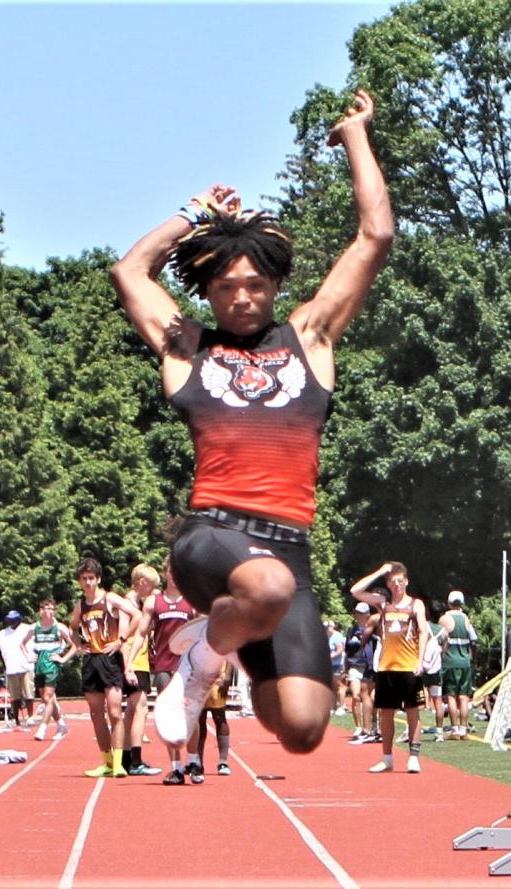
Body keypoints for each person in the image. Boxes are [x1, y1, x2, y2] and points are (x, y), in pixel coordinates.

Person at [111, 89, 393, 755]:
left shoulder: (312, 339)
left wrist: (355, 134)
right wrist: (193, 214)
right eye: (226, 287)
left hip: (288, 547)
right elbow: (130, 271)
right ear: (206, 292)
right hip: (212, 538)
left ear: (275, 286)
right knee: (265, 584)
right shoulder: (189, 349)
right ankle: (203, 657)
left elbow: (375, 235)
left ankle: (226, 635)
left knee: (300, 728)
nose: (242, 296)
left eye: (256, 285)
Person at [125, 558, 200, 784]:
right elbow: (140, 633)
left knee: (190, 713)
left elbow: (203, 631)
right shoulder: (153, 602)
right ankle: (176, 768)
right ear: (166, 573)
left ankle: (194, 761)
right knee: (169, 717)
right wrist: (130, 661)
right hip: (163, 666)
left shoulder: (192, 601)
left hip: (188, 666)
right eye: (171, 572)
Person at [351, 562, 429, 773]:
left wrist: (420, 660)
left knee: (413, 711)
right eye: (393, 581)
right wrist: (380, 571)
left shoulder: (416, 604)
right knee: (386, 713)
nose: (397, 585)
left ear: (406, 581)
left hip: (409, 665)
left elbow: (423, 632)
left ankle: (414, 756)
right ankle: (387, 758)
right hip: (387, 666)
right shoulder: (383, 604)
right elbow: (356, 591)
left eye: (400, 581)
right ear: (388, 583)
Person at [69, 557, 141, 779]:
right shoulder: (81, 606)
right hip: (91, 660)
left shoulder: (109, 598)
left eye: (91, 578)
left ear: (98, 579)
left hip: (109, 660)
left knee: (114, 711)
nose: (88, 582)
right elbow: (71, 628)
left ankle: (119, 762)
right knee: (95, 713)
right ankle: (107, 761)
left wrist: (121, 640)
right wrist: (79, 644)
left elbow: (137, 615)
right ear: (80, 581)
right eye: (84, 579)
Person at [119, 565, 162, 775]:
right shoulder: (128, 605)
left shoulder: (140, 603)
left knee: (131, 709)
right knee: (141, 707)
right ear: (142, 582)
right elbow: (123, 636)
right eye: (151, 584)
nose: (153, 588)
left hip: (141, 660)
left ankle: (127, 758)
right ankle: (135, 760)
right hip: (133, 661)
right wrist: (127, 666)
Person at [22, 599, 75, 742]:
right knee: (47, 699)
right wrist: (28, 656)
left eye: (53, 609)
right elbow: (22, 643)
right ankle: (61, 725)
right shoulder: (34, 628)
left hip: (52, 665)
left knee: (48, 697)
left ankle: (43, 727)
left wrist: (63, 659)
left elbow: (75, 645)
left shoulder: (59, 628)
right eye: (47, 609)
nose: (50, 612)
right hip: (39, 664)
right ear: (41, 611)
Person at [440, 591, 478, 741]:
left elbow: (440, 640)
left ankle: (454, 730)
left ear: (449, 603)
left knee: (450, 696)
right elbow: (474, 639)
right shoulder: (466, 620)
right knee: (464, 697)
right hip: (465, 662)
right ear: (462, 604)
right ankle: (464, 730)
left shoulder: (444, 619)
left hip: (450, 661)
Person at [0, 610, 35, 726]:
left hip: (26, 666)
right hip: (11, 668)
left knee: (28, 693)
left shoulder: (27, 629)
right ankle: (16, 718)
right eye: (9, 620)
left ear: (19, 619)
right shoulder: (3, 633)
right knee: (14, 696)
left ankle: (30, 716)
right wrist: (4, 663)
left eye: (13, 620)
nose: (11, 622)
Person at [343, 602, 375, 741]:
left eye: (361, 613)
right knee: (356, 696)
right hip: (355, 665)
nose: (358, 615)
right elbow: (346, 651)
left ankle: (373, 724)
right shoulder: (351, 630)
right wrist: (345, 667)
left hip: (369, 666)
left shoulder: (373, 628)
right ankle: (359, 726)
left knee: (371, 698)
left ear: (368, 614)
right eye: (357, 612)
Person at [197, 661, 234, 775]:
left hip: (218, 678)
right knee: (199, 720)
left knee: (219, 717)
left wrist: (227, 676)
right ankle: (198, 762)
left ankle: (223, 762)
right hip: (199, 677)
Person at [424, 600, 448, 741]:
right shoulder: (444, 632)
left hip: (422, 668)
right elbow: (444, 652)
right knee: (438, 702)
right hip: (436, 669)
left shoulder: (424, 627)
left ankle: (411, 729)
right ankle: (439, 733)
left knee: (418, 701)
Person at [327, 621, 347, 716]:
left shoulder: (337, 636)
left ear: (332, 627)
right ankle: (332, 706)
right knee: (331, 686)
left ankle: (341, 706)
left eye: (328, 627)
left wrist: (330, 656)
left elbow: (340, 649)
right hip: (328, 664)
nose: (326, 629)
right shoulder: (325, 635)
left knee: (339, 685)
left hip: (337, 664)